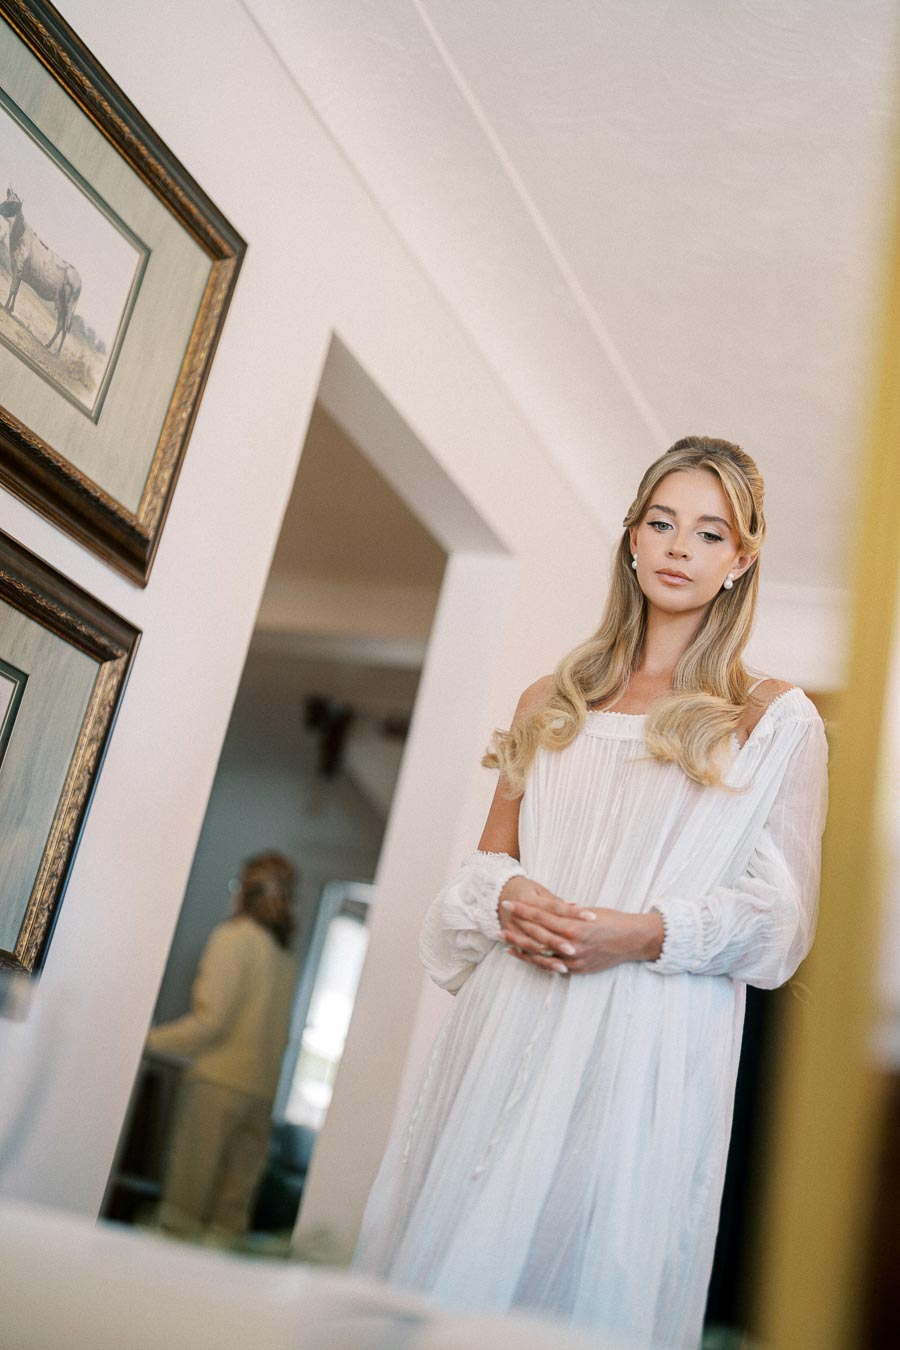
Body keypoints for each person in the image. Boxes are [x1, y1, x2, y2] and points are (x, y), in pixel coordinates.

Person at [350, 437, 830, 1349]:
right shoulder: (555, 694)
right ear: (632, 537)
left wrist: (644, 932)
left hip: (643, 1051)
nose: (678, 548)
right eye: (661, 522)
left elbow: (780, 922)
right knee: (449, 1278)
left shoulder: (773, 719)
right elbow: (482, 867)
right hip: (508, 1024)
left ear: (743, 557)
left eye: (708, 531)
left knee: (584, 1283)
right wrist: (507, 896)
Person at [146, 851, 299, 1239]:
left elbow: (210, 1024)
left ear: (246, 892)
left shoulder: (233, 938)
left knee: (182, 1213)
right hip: (261, 1096)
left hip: (217, 1088)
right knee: (229, 1223)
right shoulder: (284, 957)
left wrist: (142, 1040)